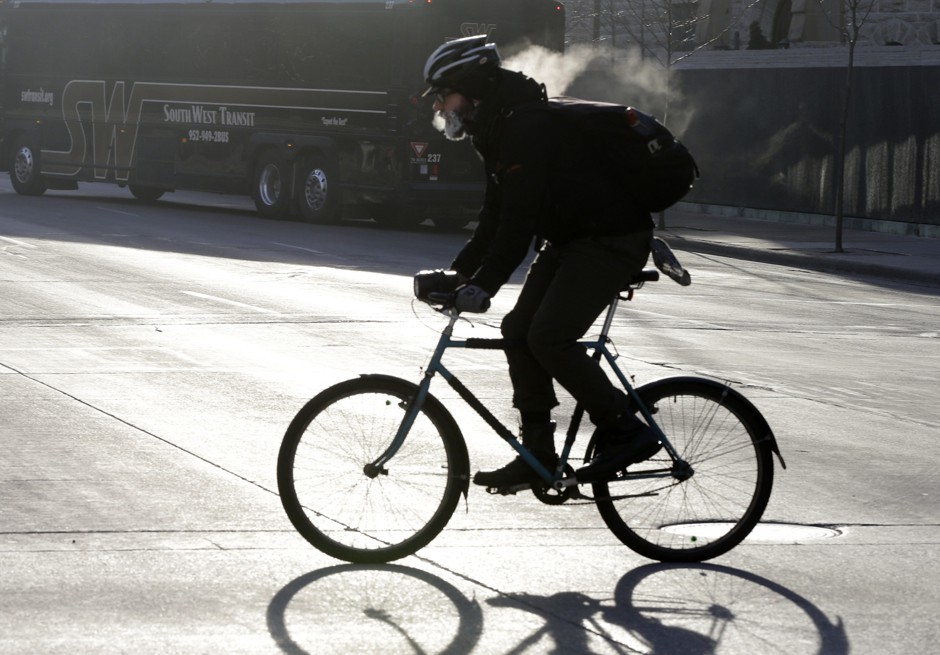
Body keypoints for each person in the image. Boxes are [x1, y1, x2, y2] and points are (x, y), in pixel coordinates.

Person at [422, 35, 661, 487]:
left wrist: (484, 285)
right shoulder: (495, 128)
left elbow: (518, 223)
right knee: (518, 331)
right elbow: (493, 216)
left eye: (443, 93)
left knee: (549, 338)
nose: (440, 106)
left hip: (610, 239)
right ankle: (539, 456)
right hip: (571, 239)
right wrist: (458, 273)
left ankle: (626, 429)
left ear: (471, 87)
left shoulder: (526, 128)